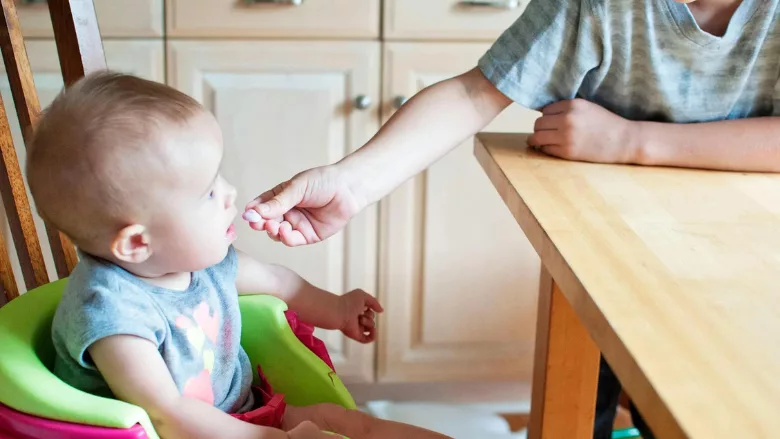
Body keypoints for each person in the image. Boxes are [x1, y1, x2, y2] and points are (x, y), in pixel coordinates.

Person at [242, 0, 780, 437]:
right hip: (605, 256)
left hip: (746, 268)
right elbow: (476, 92)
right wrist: (351, 184)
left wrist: (631, 140)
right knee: (586, 400)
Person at [29, 71, 453, 439]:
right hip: (178, 435)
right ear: (138, 243)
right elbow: (168, 414)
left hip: (245, 416)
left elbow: (280, 282)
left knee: (349, 424)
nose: (230, 193)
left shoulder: (202, 263)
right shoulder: (113, 315)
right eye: (208, 192)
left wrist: (338, 309)